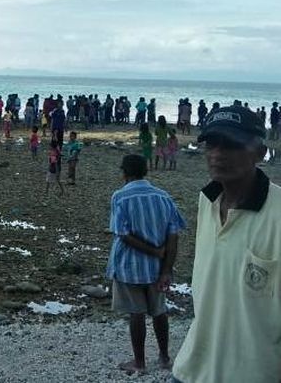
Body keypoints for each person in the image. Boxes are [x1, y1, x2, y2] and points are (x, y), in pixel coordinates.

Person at [172, 105, 280, 383]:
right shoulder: (207, 201)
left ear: (259, 152)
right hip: (190, 369)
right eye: (211, 143)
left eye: (231, 144)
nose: (218, 154)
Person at [106, 154, 185, 375]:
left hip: (128, 266)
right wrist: (167, 267)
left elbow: (122, 233)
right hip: (157, 268)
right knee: (159, 311)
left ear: (125, 173)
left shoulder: (120, 197)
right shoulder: (163, 197)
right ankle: (164, 357)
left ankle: (139, 362)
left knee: (137, 313)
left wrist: (153, 251)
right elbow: (174, 235)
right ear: (145, 171)